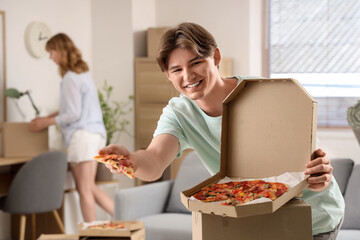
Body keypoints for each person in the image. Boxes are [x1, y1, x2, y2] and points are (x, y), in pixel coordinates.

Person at [99, 22, 344, 239]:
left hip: (312, 218)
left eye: (196, 62)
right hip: (255, 218)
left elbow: (311, 163)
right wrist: (130, 160)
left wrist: (319, 175)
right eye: (177, 69)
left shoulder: (264, 94)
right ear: (167, 75)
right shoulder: (179, 113)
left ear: (215, 57)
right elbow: (153, 161)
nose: (188, 75)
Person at [29, 33, 114, 222]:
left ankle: (93, 234)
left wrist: (47, 122)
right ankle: (129, 219)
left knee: (84, 190)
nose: (51, 57)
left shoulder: (69, 78)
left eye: (51, 52)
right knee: (89, 187)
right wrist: (51, 116)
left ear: (60, 51)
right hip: (95, 134)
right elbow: (75, 108)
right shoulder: (82, 74)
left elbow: (73, 114)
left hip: (82, 137)